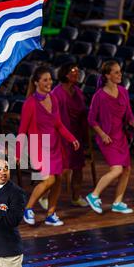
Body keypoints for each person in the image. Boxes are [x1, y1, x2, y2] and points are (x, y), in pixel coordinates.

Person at [18, 65, 79, 227]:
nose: (49, 82)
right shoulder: (30, 103)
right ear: (37, 82)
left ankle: (51, 214)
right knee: (49, 179)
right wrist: (18, 153)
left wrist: (71, 138)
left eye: (50, 79)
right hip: (39, 147)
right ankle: (28, 208)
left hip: (55, 145)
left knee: (58, 179)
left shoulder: (53, 99)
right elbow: (22, 131)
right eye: (45, 80)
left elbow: (58, 124)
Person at [86, 60, 134, 215]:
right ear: (107, 75)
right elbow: (91, 120)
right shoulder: (99, 96)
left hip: (121, 136)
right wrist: (102, 134)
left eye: (120, 71)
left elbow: (129, 114)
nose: (120, 74)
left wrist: (133, 123)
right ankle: (94, 195)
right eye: (116, 72)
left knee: (126, 169)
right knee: (117, 169)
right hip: (107, 138)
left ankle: (118, 202)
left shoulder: (124, 91)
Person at [52, 63, 89, 207]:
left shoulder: (79, 93)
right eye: (73, 72)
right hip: (61, 136)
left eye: (78, 72)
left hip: (77, 134)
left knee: (78, 167)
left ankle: (76, 197)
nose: (77, 75)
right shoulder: (57, 93)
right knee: (63, 169)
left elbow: (82, 114)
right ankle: (48, 196)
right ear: (65, 74)